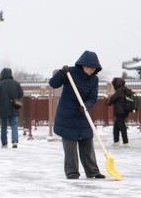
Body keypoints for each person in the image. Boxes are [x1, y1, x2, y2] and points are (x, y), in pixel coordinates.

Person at [49, 51, 105, 179]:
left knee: (87, 145)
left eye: (94, 68)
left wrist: (86, 106)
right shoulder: (70, 73)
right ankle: (72, 173)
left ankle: (93, 172)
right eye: (89, 67)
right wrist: (61, 73)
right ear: (83, 65)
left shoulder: (94, 80)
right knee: (70, 149)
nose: (91, 70)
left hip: (83, 115)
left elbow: (93, 98)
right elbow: (53, 83)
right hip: (67, 117)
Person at [0, 67, 23, 149]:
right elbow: (21, 94)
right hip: (14, 106)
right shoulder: (16, 84)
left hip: (3, 107)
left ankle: (4, 142)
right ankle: (14, 141)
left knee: (4, 125)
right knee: (14, 124)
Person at [106, 77, 133, 146]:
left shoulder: (119, 91)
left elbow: (111, 101)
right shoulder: (125, 90)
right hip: (125, 111)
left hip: (119, 112)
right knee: (116, 126)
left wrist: (108, 100)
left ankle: (125, 142)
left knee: (122, 127)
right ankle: (116, 141)